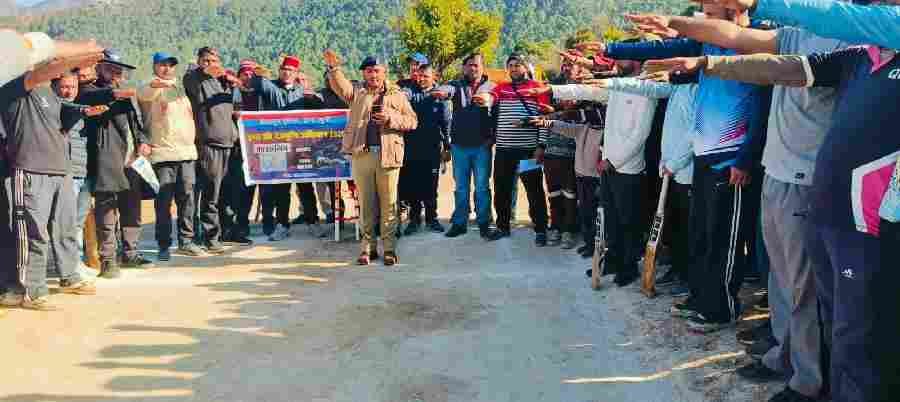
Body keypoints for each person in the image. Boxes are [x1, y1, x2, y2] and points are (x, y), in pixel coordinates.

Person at [644, 30, 900, 399]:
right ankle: (791, 359)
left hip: (825, 188)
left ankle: (809, 380)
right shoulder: (848, 51)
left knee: (830, 307)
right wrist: (705, 62)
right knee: (790, 287)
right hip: (795, 177)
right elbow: (779, 68)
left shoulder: (846, 38)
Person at [590, 4, 770, 332]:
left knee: (723, 237)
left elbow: (761, 105)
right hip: (703, 153)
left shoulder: (755, 40)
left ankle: (720, 308)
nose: (703, 16)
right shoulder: (706, 42)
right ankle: (700, 297)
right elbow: (662, 48)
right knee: (700, 232)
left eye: (709, 11)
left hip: (731, 157)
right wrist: (610, 48)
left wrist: (746, 158)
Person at [526, 59, 658, 286]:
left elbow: (640, 135)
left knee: (628, 221)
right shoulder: (616, 88)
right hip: (608, 165)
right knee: (611, 219)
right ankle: (612, 261)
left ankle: (628, 269)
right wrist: (552, 89)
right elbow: (587, 91)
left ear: (636, 62)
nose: (618, 62)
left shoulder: (646, 91)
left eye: (623, 58)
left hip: (627, 168)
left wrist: (613, 161)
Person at [0, 52, 104, 310]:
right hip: (31, 170)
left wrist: (84, 111)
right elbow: (42, 73)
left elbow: (63, 117)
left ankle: (69, 276)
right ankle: (31, 290)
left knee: (65, 228)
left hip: (61, 170)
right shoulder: (16, 87)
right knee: (34, 234)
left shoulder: (49, 94)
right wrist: (76, 59)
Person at [591, 74, 697, 296]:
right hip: (668, 169)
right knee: (673, 225)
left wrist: (675, 163)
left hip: (685, 172)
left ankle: (687, 276)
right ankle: (677, 269)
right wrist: (665, 161)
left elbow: (692, 133)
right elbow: (671, 130)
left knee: (686, 227)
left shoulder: (696, 91)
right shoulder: (674, 89)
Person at [323, 50, 417, 266]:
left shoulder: (397, 94)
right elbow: (341, 86)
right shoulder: (357, 92)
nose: (373, 75)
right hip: (362, 154)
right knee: (366, 204)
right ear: (363, 74)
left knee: (389, 204)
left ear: (384, 72)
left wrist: (390, 118)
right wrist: (333, 68)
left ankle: (389, 249)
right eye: (368, 71)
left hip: (389, 155)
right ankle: (368, 248)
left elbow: (412, 121)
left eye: (376, 70)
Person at [77, 49, 152, 277]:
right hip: (106, 159)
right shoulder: (89, 89)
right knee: (106, 210)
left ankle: (130, 252)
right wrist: (114, 93)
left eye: (118, 69)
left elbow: (135, 122)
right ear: (99, 68)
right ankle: (108, 259)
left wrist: (143, 141)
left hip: (131, 159)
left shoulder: (125, 94)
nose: (116, 72)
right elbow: (91, 98)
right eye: (110, 68)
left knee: (132, 207)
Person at [138, 52, 204, 261]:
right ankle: (163, 245)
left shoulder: (181, 88)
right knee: (163, 203)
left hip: (186, 153)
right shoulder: (149, 86)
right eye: (162, 65)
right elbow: (144, 93)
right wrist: (158, 84)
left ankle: (187, 241)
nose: (167, 69)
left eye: (170, 65)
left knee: (188, 200)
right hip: (163, 154)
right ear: (154, 66)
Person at [484, 53, 551, 245]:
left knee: (534, 190)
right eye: (511, 65)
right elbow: (491, 97)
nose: (513, 69)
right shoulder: (501, 88)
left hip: (528, 150)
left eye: (517, 65)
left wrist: (541, 145)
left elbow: (544, 118)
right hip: (504, 150)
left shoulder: (538, 87)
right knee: (502, 190)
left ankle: (540, 229)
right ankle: (502, 227)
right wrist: (484, 98)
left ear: (526, 67)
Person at [244, 55, 312, 241]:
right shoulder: (271, 87)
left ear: (296, 73)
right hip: (277, 146)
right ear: (279, 71)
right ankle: (282, 224)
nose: (287, 73)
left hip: (299, 146)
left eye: (290, 70)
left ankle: (313, 221)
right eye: (284, 70)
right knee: (281, 188)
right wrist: (258, 74)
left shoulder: (301, 90)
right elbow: (257, 83)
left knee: (306, 185)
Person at [434, 54, 501, 240]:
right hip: (459, 146)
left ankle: (484, 223)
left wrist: (492, 138)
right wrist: (442, 92)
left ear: (483, 67)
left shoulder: (492, 87)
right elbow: (447, 90)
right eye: (470, 65)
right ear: (464, 68)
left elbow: (497, 115)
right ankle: (459, 223)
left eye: (476, 65)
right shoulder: (456, 85)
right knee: (461, 188)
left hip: (482, 146)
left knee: (482, 187)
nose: (473, 68)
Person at [183, 47, 240, 254]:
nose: (210, 64)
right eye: (206, 60)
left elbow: (236, 103)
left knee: (223, 193)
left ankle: (220, 232)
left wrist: (233, 83)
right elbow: (190, 80)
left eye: (214, 60)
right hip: (209, 144)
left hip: (228, 144)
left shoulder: (223, 82)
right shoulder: (194, 79)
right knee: (210, 193)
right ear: (199, 61)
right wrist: (206, 71)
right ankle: (209, 238)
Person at [52, 71, 103, 277]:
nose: (68, 91)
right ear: (56, 87)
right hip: (67, 173)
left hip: (84, 172)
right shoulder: (58, 107)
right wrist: (86, 110)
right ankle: (68, 266)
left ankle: (76, 261)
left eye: (72, 87)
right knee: (66, 222)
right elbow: (68, 107)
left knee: (78, 221)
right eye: (64, 86)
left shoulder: (79, 108)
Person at [542, 52, 589, 249]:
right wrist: (541, 146)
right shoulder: (554, 87)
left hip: (574, 154)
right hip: (551, 152)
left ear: (580, 66)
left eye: (571, 64)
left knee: (570, 193)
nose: (567, 67)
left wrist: (562, 112)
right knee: (553, 192)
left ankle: (568, 230)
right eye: (565, 64)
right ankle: (555, 227)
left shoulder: (586, 89)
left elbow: (585, 119)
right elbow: (543, 118)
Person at [399, 64, 450, 235]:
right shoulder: (410, 91)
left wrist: (447, 147)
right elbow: (404, 94)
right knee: (413, 185)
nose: (421, 79)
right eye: (419, 75)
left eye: (425, 76)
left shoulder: (440, 95)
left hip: (432, 149)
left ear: (433, 77)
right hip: (411, 148)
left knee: (431, 186)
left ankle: (431, 218)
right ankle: (414, 219)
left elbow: (446, 123)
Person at [219, 60, 260, 246]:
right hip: (233, 148)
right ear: (239, 75)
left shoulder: (260, 93)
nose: (248, 76)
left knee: (248, 191)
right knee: (229, 190)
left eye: (252, 73)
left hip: (253, 149)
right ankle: (227, 229)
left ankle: (242, 228)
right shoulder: (232, 91)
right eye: (244, 73)